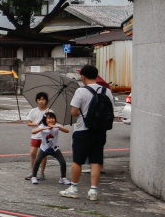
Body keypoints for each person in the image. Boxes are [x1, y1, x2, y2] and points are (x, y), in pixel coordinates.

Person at [61, 64, 115, 201]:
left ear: (83, 76)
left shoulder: (81, 91)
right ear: (97, 76)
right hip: (100, 131)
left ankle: (73, 188)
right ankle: (93, 191)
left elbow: (74, 112)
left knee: (77, 161)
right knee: (96, 161)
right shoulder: (106, 91)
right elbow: (111, 110)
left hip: (83, 131)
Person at [29, 112, 73, 186]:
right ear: (45, 120)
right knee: (37, 162)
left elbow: (67, 131)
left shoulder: (57, 126)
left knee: (62, 162)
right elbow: (33, 132)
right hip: (44, 149)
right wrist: (43, 128)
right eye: (49, 118)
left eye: (52, 118)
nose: (51, 120)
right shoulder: (42, 126)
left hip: (55, 149)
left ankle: (63, 178)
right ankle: (34, 176)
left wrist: (58, 127)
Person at [25, 91, 51, 180]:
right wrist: (37, 123)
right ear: (36, 101)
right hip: (35, 135)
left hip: (45, 136)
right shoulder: (33, 111)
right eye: (39, 99)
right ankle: (33, 171)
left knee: (43, 154)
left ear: (46, 101)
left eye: (43, 99)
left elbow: (52, 123)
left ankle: (42, 172)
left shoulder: (49, 111)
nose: (41, 101)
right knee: (33, 153)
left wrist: (48, 116)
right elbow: (29, 123)